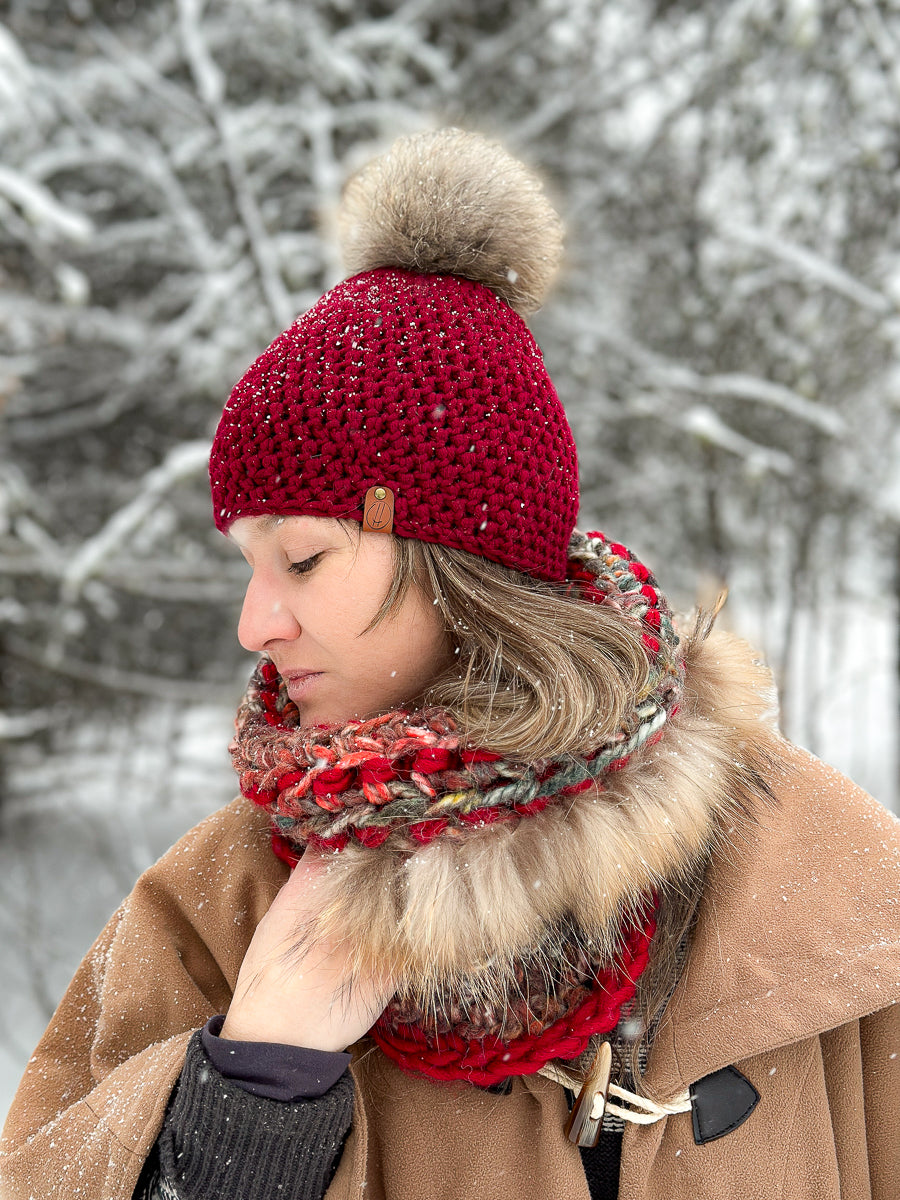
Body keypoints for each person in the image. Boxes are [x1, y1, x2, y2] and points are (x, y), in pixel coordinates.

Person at [2, 128, 899, 1200]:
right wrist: (253, 1089)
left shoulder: (823, 877)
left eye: (300, 557)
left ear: (459, 559)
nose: (254, 624)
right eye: (248, 565)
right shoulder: (217, 907)